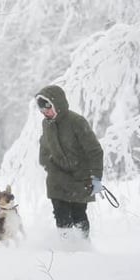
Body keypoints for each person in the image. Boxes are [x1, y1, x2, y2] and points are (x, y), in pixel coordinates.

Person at [36, 85, 104, 239]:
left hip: (79, 180)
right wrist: (48, 163)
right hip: (57, 180)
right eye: (41, 108)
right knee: (62, 218)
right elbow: (44, 148)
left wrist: (96, 176)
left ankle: (83, 248)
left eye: (47, 107)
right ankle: (66, 250)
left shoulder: (77, 122)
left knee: (78, 215)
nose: (44, 111)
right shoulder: (46, 124)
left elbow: (95, 151)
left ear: (56, 104)